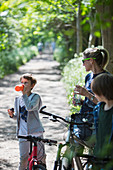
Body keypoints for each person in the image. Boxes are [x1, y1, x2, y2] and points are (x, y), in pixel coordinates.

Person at [8, 73, 46, 170]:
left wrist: (24, 94)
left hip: (36, 131)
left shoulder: (36, 97)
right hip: (22, 133)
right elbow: (19, 116)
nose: (23, 85)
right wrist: (12, 115)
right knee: (23, 158)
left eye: (26, 83)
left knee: (41, 158)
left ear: (32, 85)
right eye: (22, 83)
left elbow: (30, 108)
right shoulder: (18, 99)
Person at [73, 47, 109, 114]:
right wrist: (81, 102)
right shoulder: (88, 76)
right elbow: (92, 102)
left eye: (83, 61)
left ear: (91, 60)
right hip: (84, 118)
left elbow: (106, 105)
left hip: (97, 120)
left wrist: (86, 94)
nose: (83, 64)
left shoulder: (106, 79)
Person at [91, 73, 113, 169]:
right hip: (99, 155)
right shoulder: (98, 109)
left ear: (102, 92)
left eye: (95, 92)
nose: (94, 95)